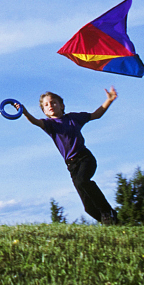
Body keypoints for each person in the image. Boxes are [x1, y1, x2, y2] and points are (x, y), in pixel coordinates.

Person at [13, 87, 119, 224]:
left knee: (83, 181)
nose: (50, 106)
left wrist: (109, 100)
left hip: (85, 158)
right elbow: (35, 122)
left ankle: (107, 211)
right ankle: (110, 224)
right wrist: (24, 112)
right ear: (44, 111)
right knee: (88, 207)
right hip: (71, 165)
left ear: (62, 105)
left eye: (53, 102)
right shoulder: (49, 125)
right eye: (46, 105)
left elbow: (95, 115)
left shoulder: (73, 118)